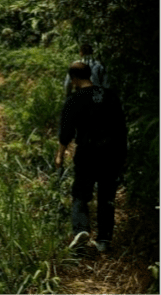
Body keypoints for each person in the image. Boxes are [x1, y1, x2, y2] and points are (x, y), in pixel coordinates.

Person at [55, 61, 127, 253]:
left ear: (73, 79)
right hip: (111, 152)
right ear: (90, 74)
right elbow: (121, 129)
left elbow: (66, 132)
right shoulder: (110, 96)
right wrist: (122, 156)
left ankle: (81, 230)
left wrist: (60, 155)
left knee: (80, 193)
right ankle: (103, 240)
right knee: (107, 196)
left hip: (87, 152)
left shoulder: (74, 100)